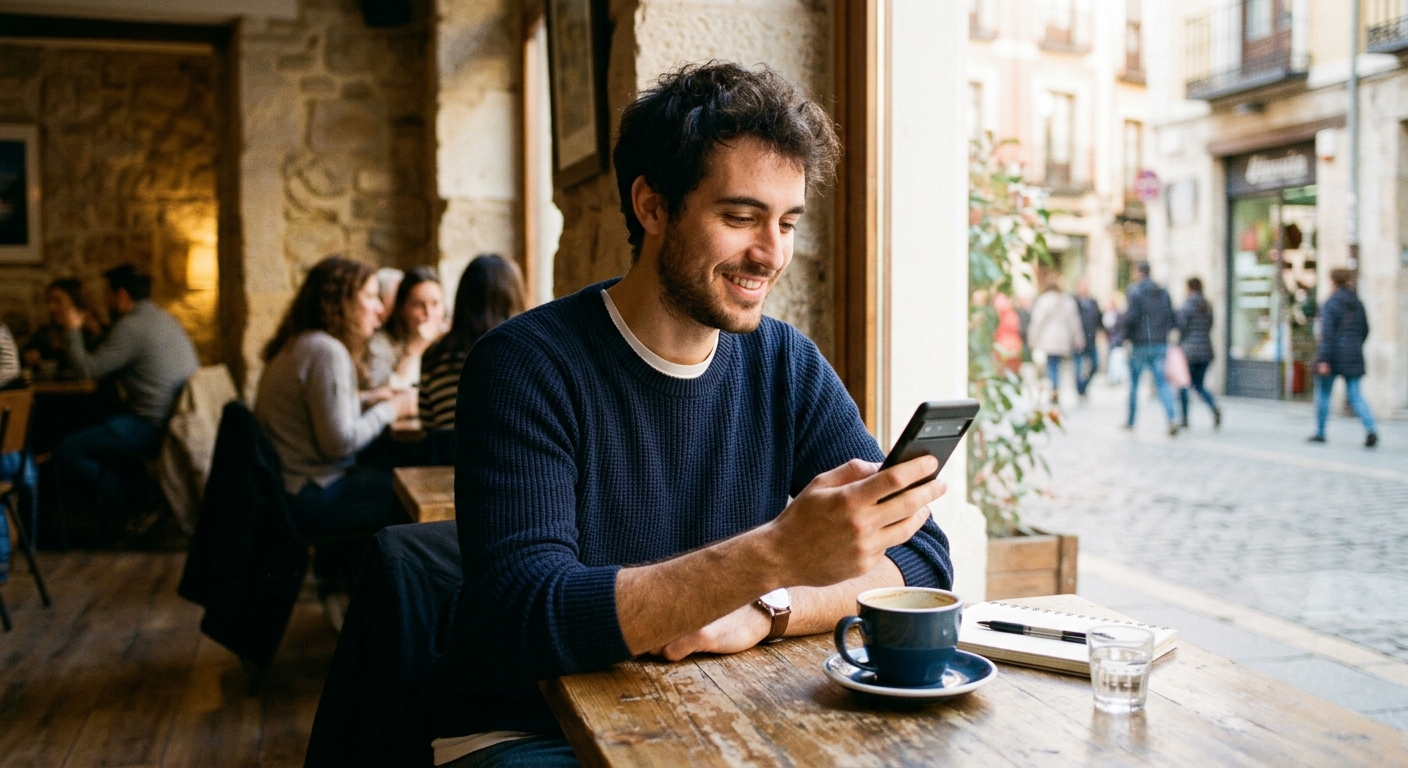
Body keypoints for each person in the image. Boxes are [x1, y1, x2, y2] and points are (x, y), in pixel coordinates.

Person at [427, 62, 951, 767]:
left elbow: (919, 563)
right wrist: (777, 555)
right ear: (652, 207)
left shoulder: (784, 363)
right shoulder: (524, 364)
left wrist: (770, 609)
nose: (770, 254)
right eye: (740, 217)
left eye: (787, 222)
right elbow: (527, 612)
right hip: (529, 732)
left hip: (704, 716)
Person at [254, 256, 419, 544]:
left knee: (391, 474)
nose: (380, 308)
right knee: (411, 497)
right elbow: (338, 445)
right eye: (369, 296)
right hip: (312, 493)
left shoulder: (302, 343)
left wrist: (369, 399)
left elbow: (315, 411)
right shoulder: (326, 352)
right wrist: (393, 409)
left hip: (288, 488)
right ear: (339, 302)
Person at [54, 265, 199, 524]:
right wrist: (93, 330)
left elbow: (88, 370)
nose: (105, 301)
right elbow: (113, 356)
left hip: (150, 425)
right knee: (100, 421)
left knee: (68, 449)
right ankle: (136, 498)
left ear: (121, 295)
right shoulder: (161, 318)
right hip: (172, 419)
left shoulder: (131, 327)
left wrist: (73, 330)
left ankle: (132, 505)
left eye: (107, 295)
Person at [418, 254, 525, 433]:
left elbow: (427, 425)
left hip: (448, 460)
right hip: (509, 459)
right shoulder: (522, 356)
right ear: (513, 298)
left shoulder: (435, 357)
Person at [1309, 268, 1377, 447]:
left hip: (1332, 356)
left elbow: (1327, 335)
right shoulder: (1357, 303)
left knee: (1324, 394)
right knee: (1356, 396)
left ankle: (1321, 432)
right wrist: (1354, 346)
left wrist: (1323, 359)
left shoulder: (1330, 304)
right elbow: (1365, 330)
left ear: (1332, 281)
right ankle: (1371, 429)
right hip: (1353, 355)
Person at [366, 266, 446, 393]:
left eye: (435, 304)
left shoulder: (451, 339)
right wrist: (412, 351)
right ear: (402, 309)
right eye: (419, 305)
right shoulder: (381, 343)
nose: (429, 313)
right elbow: (387, 395)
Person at [1122, 262, 1179, 435]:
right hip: (1159, 343)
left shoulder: (1135, 291)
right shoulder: (1163, 292)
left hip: (1140, 344)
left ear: (1139, 272)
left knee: (1134, 383)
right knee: (1162, 383)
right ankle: (1172, 418)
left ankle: (1131, 421)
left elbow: (1130, 318)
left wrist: (1125, 337)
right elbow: (1171, 317)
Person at [22, 279, 104, 375]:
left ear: (75, 302)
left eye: (58, 301)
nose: (51, 308)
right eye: (49, 301)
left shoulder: (93, 333)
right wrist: (28, 357)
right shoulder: (44, 334)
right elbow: (24, 355)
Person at [1026, 273, 1084, 404]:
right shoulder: (1068, 300)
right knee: (1057, 365)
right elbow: (1074, 322)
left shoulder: (1043, 300)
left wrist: (1033, 337)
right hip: (1063, 340)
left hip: (1048, 338)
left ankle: (1054, 389)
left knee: (1051, 365)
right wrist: (1078, 338)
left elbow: (1037, 321)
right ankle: (1056, 389)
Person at [1175, 277, 1220, 429]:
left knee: (1183, 385)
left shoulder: (1187, 305)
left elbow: (1181, 327)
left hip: (1189, 351)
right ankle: (1213, 405)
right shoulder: (1207, 305)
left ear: (1189, 288)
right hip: (1206, 350)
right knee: (1199, 385)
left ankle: (1185, 418)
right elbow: (1210, 326)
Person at [1074, 278, 1101, 398]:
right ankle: (1079, 390)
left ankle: (1083, 387)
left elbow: (1099, 319)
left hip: (1091, 339)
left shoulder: (1093, 302)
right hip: (1078, 340)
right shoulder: (1073, 301)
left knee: (1095, 365)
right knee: (1078, 368)